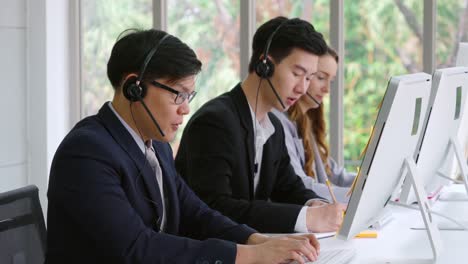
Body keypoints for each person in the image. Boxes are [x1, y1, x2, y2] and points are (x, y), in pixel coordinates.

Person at [45, 28, 322, 264]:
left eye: (189, 95)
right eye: (178, 95)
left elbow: (195, 213)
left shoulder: (157, 146)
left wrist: (257, 240)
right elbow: (135, 248)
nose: (186, 109)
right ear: (134, 88)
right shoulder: (86, 153)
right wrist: (249, 256)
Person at [175, 17, 346, 234]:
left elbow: (289, 188)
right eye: (297, 74)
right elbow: (215, 207)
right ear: (264, 65)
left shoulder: (273, 126)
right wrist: (306, 218)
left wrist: (316, 205)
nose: (303, 88)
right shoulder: (215, 123)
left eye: (309, 78)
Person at [272, 47, 356, 204]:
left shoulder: (306, 121)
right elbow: (300, 185)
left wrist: (370, 184)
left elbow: (334, 174)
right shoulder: (280, 122)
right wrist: (359, 197)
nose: (327, 89)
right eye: (320, 78)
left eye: (330, 81)